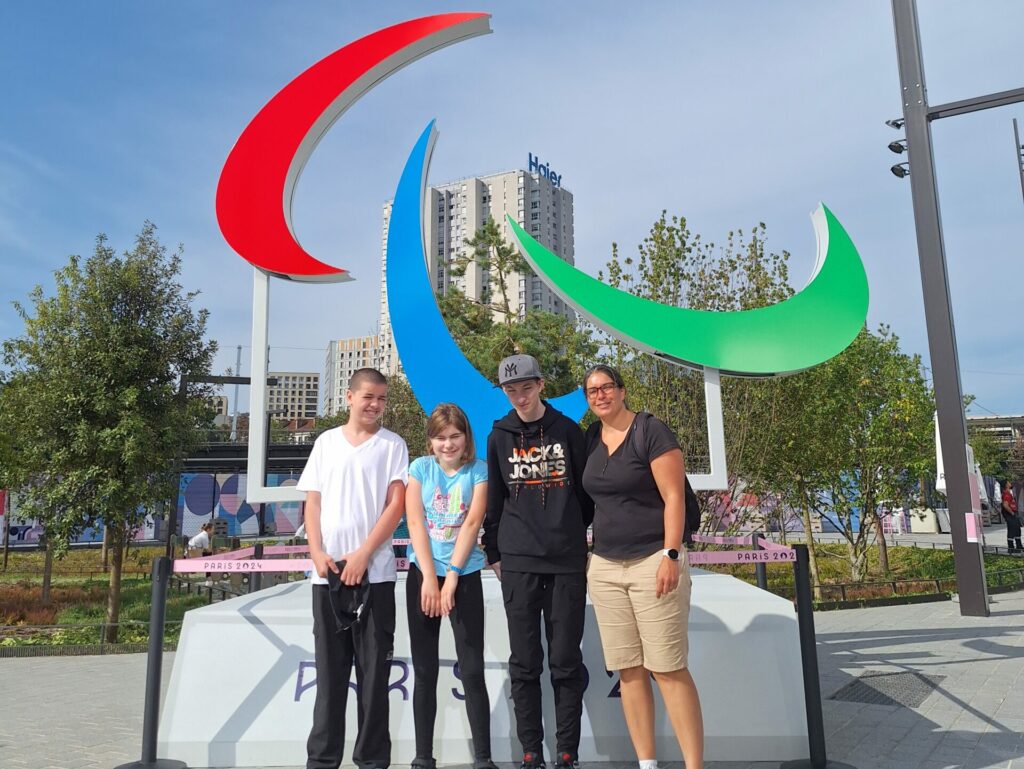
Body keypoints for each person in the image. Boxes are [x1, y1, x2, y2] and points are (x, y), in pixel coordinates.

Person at [580, 364, 704, 769]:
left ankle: (693, 765)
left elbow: (674, 498)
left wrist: (671, 555)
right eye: (592, 391)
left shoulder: (651, 431)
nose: (600, 395)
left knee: (667, 668)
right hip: (606, 568)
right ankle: (646, 763)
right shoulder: (590, 439)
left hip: (654, 561)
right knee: (629, 671)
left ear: (622, 390)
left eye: (607, 387)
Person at [482, 354, 594, 769]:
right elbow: (495, 498)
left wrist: (569, 534)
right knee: (525, 663)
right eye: (511, 390)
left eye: (526, 388)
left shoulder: (567, 431)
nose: (520, 397)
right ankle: (531, 751)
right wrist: (494, 553)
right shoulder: (499, 437)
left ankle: (567, 752)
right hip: (518, 562)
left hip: (566, 562)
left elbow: (586, 496)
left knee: (566, 660)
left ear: (541, 385)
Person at [297, 368, 409, 769]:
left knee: (374, 680)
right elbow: (313, 502)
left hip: (374, 577)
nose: (375, 405)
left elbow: (395, 505)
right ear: (349, 397)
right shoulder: (326, 443)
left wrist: (363, 554)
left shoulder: (393, 445)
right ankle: (322, 761)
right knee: (329, 679)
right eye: (368, 397)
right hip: (327, 578)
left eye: (381, 398)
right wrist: (316, 552)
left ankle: (373, 761)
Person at [405, 403, 496, 769]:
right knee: (425, 670)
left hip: (466, 574)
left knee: (472, 670)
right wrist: (430, 577)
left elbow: (473, 523)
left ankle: (484, 758)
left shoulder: (479, 471)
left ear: (466, 438)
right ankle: (423, 757)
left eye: (455, 436)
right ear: (431, 441)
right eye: (441, 437)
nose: (448, 444)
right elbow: (415, 522)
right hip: (423, 575)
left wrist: (453, 576)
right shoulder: (420, 469)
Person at [187, 521, 215, 586]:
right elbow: (208, 550)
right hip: (194, 553)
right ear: (208, 530)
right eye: (213, 530)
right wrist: (215, 551)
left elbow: (205, 549)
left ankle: (209, 578)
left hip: (191, 551)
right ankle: (209, 579)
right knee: (210, 558)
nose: (213, 531)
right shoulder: (204, 537)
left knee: (209, 555)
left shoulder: (202, 534)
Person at [1001, 480, 1022, 553]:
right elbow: (1005, 505)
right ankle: (1011, 547)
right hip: (1010, 514)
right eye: (1009, 482)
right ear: (1006, 485)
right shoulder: (1007, 494)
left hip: (1013, 513)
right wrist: (1012, 513)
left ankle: (1019, 546)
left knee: (1017, 529)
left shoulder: (1009, 493)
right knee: (1012, 530)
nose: (1010, 483)